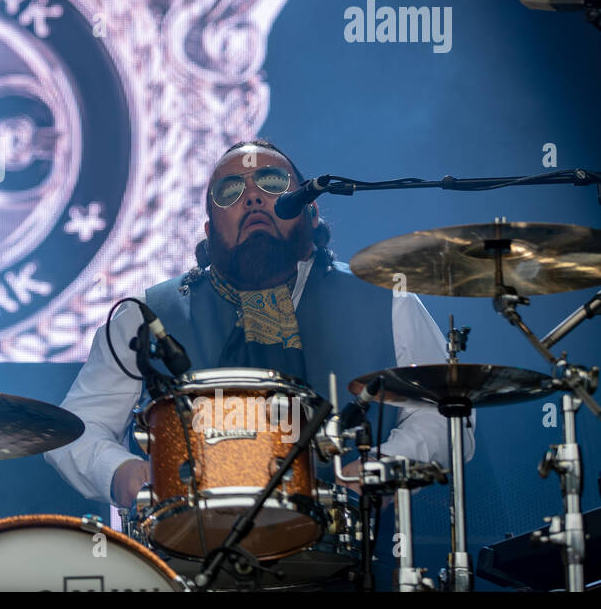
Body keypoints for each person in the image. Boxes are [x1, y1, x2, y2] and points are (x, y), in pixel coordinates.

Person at [45, 139, 475, 512]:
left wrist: (383, 466)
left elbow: (448, 416)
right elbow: (75, 428)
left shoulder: (386, 300)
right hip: (191, 563)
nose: (252, 197)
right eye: (230, 191)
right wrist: (117, 471)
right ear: (208, 229)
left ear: (310, 211)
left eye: (272, 184)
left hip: (350, 562)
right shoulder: (146, 315)